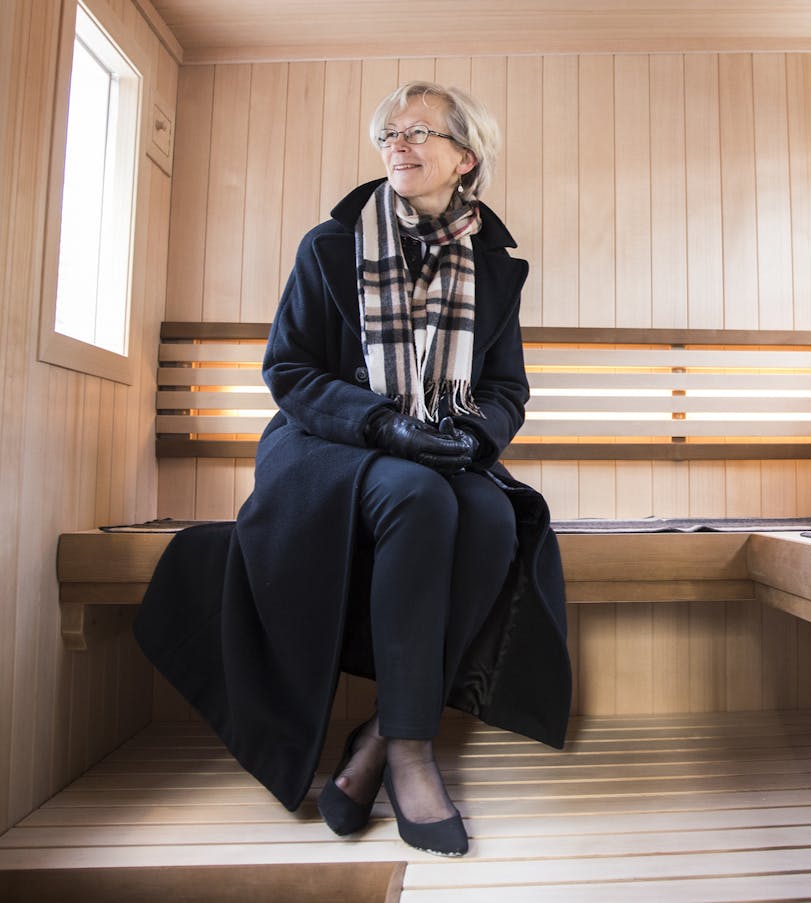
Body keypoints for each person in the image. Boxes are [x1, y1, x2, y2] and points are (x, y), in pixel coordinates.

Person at [135, 81, 571, 858]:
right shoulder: (332, 244)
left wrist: (474, 439)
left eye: (418, 133)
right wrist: (382, 423)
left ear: (465, 158)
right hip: (326, 443)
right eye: (388, 133)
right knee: (418, 498)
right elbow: (290, 370)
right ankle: (409, 752)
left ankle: (375, 736)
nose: (397, 144)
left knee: (493, 512)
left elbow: (506, 390)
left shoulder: (496, 270)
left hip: (437, 441)